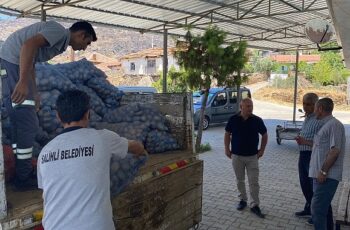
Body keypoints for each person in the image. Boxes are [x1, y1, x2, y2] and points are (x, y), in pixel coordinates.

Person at [0, 20, 97, 190]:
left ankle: (20, 172)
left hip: (13, 63)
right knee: (27, 123)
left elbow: (31, 59)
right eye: (86, 42)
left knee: (19, 122)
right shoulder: (59, 32)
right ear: (81, 34)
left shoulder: (59, 41)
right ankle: (23, 178)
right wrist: (22, 82)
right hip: (12, 63)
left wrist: (34, 91)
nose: (85, 47)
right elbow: (28, 46)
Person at [37, 90, 146, 230]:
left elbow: (48, 191)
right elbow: (134, 147)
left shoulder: (45, 152)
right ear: (88, 113)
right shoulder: (103, 138)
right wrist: (142, 150)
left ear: (58, 117)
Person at [224, 98, 268, 218]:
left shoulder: (257, 120)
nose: (250, 108)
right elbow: (227, 134)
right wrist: (227, 149)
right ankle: (243, 200)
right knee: (240, 180)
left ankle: (255, 205)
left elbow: (264, 135)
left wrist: (262, 150)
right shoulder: (233, 119)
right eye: (248, 106)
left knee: (254, 182)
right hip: (237, 156)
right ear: (241, 107)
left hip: (252, 156)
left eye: (251, 106)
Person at [309, 98, 345, 230]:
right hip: (321, 176)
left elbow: (335, 150)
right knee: (323, 208)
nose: (313, 111)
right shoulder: (327, 125)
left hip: (326, 176)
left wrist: (323, 171)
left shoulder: (334, 125)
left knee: (317, 209)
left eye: (315, 108)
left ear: (320, 109)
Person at [294, 93, 324, 219]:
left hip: (312, 156)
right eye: (304, 104)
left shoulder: (319, 120)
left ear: (316, 105)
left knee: (313, 186)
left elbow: (321, 143)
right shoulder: (308, 117)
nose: (305, 107)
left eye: (309, 104)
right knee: (304, 183)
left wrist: (304, 141)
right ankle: (308, 208)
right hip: (303, 154)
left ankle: (316, 214)